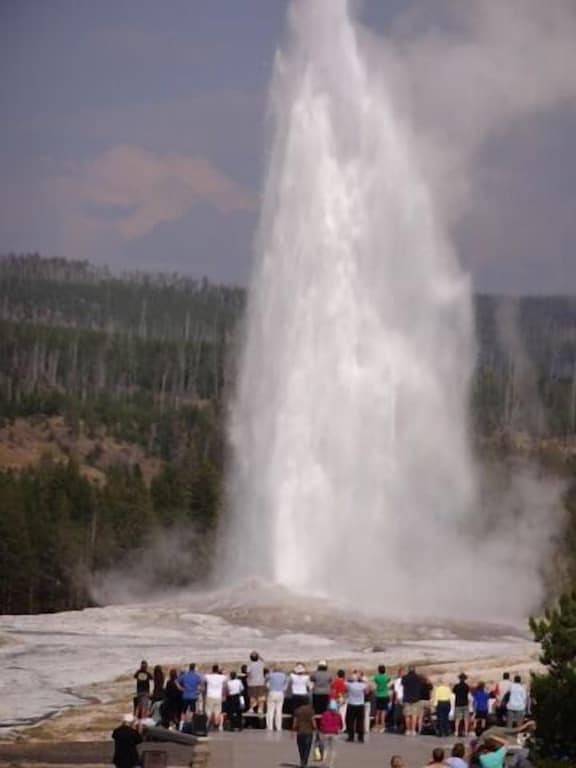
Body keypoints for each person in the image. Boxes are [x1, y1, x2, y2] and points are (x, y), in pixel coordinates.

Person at [293, 696, 316, 768]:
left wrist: (294, 729)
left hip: (300, 732)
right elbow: (313, 721)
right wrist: (315, 728)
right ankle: (305, 762)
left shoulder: (297, 710)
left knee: (301, 748)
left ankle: (302, 760)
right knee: (307, 748)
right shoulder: (311, 710)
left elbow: (295, 723)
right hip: (309, 732)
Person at [318, 700, 343, 768]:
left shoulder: (325, 714)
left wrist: (321, 731)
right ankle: (331, 765)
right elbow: (341, 725)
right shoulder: (338, 715)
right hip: (335, 733)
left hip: (326, 733)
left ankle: (323, 762)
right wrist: (339, 729)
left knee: (325, 749)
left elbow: (322, 724)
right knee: (333, 750)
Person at [204, 664, 227, 731]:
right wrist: (222, 671)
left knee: (208, 711)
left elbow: (203, 676)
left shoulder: (209, 676)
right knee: (218, 712)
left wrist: (210, 672)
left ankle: (207, 724)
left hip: (210, 696)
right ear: (218, 670)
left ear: (212, 669)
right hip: (218, 697)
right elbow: (227, 677)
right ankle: (219, 726)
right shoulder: (221, 677)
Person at [345, 672, 366, 743]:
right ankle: (361, 737)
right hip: (360, 705)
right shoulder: (362, 685)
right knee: (360, 722)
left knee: (350, 721)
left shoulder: (349, 685)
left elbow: (345, 681)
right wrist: (362, 679)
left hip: (351, 704)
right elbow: (369, 686)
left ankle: (351, 737)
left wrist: (349, 678)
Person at [401, 665, 422, 736]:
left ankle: (407, 730)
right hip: (415, 698)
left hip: (407, 698)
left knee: (407, 715)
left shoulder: (404, 677)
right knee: (414, 715)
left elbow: (402, 685)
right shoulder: (418, 678)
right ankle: (413, 730)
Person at [266, 664, 287, 731]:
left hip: (272, 692)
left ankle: (270, 727)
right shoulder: (284, 675)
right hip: (280, 693)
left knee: (270, 710)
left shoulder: (271, 675)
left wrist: (270, 671)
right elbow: (285, 685)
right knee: (279, 711)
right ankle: (279, 727)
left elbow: (266, 678)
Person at [373, 664, 391, 732]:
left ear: (378, 670)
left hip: (378, 695)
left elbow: (375, 681)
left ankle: (376, 726)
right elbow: (389, 680)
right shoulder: (386, 677)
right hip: (385, 695)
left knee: (377, 712)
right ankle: (382, 726)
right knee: (383, 712)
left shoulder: (377, 677)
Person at [453, 673, 470, 737]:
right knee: (466, 719)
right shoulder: (466, 686)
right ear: (465, 679)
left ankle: (456, 731)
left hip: (458, 703)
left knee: (458, 719)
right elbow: (467, 692)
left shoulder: (456, 686)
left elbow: (454, 692)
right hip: (465, 703)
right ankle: (465, 732)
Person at [392, 667, 405, 733]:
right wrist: (396, 699)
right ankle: (395, 724)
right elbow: (396, 690)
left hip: (404, 698)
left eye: (403, 672)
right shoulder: (397, 680)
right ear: (399, 673)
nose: (402, 674)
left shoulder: (405, 680)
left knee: (403, 712)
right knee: (397, 712)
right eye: (401, 672)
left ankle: (401, 724)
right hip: (399, 697)